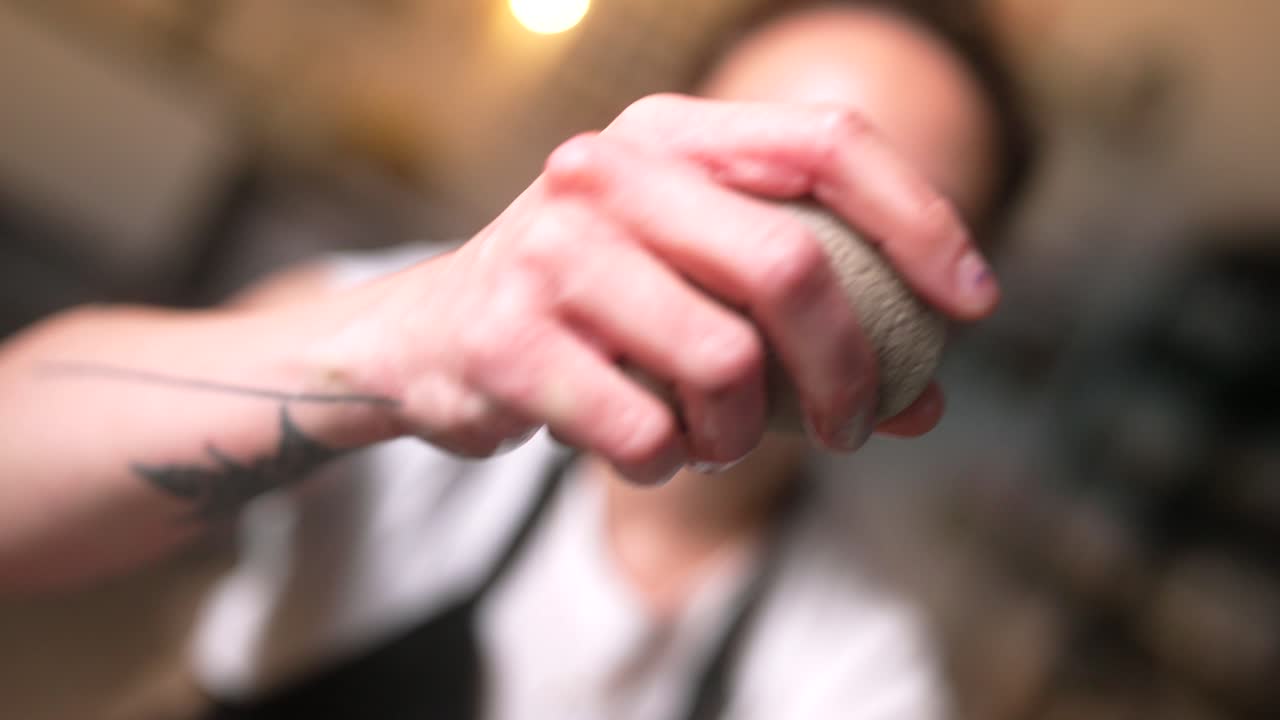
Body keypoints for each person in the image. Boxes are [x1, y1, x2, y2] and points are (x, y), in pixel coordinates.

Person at [0, 1, 1033, 717]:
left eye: (882, 216)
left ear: (953, 294)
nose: (791, 262)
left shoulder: (847, 671)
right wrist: (393, 350)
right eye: (781, 172)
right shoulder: (437, 344)